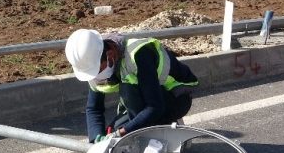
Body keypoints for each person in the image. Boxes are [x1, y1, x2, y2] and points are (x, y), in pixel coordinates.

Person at [65, 29, 198, 143]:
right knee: (113, 131)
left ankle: (166, 129)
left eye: (97, 71)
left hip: (178, 96)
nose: (95, 77)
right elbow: (93, 108)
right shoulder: (93, 63)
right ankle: (151, 128)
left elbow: (154, 107)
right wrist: (96, 138)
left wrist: (122, 133)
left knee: (127, 92)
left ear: (110, 54)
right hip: (146, 100)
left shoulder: (138, 54)